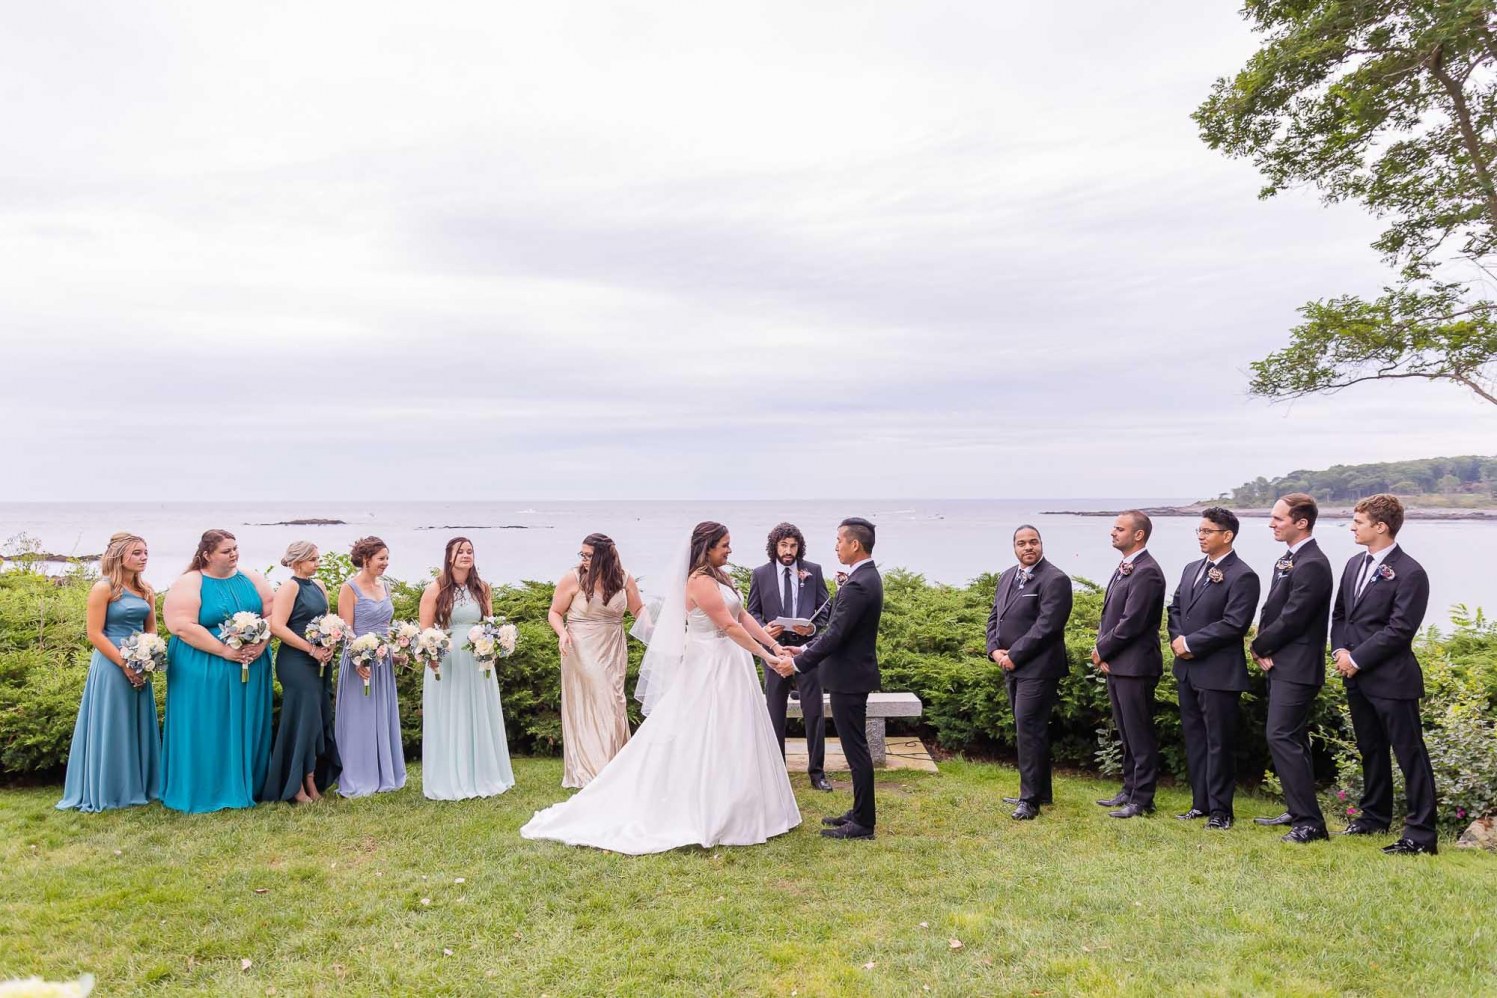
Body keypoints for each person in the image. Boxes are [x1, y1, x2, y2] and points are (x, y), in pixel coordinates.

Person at [521, 521, 800, 854]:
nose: (730, 550)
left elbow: (741, 618)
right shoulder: (698, 582)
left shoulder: (721, 577)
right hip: (709, 664)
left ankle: (746, 804)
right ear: (707, 547)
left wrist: (774, 644)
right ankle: (704, 804)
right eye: (725, 545)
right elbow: (725, 625)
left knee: (735, 730)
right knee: (704, 731)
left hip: (731, 664)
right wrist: (766, 657)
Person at [1330, 494, 1438, 855]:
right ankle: (1373, 816)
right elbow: (1341, 614)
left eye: (1358, 522)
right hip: (1355, 675)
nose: (1352, 527)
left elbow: (1400, 629)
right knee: (1370, 749)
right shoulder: (1352, 564)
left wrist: (1357, 658)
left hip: (1392, 679)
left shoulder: (1411, 572)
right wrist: (1340, 651)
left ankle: (1421, 835)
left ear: (1381, 527)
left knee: (1410, 755)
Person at [160, 529, 274, 813]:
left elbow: (273, 612)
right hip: (203, 667)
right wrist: (225, 650)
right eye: (226, 551)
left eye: (235, 548)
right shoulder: (190, 582)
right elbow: (181, 626)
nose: (234, 554)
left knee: (246, 722)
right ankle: (207, 788)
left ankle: (251, 784)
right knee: (207, 724)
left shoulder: (251, 577)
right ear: (207, 554)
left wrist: (261, 644)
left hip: (252, 663)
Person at [788, 517, 884, 840]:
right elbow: (832, 632)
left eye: (839, 541)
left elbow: (837, 635)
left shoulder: (860, 583)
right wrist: (801, 647)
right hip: (851, 676)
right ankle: (859, 812)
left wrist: (800, 661)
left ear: (854, 544)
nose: (836, 546)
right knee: (854, 747)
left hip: (850, 678)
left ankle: (863, 824)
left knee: (856, 750)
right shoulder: (865, 577)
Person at [1167, 507, 1260, 830]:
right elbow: (1176, 607)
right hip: (1187, 670)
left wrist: (1191, 644)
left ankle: (1222, 810)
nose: (1201, 536)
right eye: (1200, 531)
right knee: (1194, 738)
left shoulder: (1243, 575)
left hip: (1219, 673)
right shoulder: (1192, 568)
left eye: (1207, 531)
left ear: (1227, 535)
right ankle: (1200, 803)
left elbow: (1234, 624)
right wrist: (1177, 639)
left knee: (1219, 742)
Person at [56, 532, 162, 812]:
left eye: (145, 552)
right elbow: (94, 633)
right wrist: (124, 663)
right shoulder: (103, 589)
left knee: (135, 720)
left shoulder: (147, 590)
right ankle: (110, 787)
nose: (143, 558)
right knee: (112, 722)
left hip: (140, 660)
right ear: (119, 557)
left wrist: (148, 655)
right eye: (137, 553)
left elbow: (151, 629)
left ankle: (141, 784)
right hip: (110, 661)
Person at [1250, 494, 1333, 843]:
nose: (1271, 523)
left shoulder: (1312, 563)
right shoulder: (1289, 559)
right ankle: (1297, 809)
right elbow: (1273, 610)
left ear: (1301, 522)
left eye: (1278, 518)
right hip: (1282, 663)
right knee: (1291, 737)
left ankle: (1311, 824)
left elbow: (1295, 617)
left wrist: (1260, 645)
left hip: (1297, 665)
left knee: (1281, 735)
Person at [986, 525, 1073, 820]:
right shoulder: (1007, 576)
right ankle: (1040, 790)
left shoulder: (1055, 579)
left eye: (1033, 542)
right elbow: (994, 616)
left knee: (1029, 730)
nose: (1028, 547)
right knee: (1028, 729)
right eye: (1022, 543)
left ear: (1041, 544)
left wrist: (1015, 655)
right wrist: (994, 650)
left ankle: (1030, 799)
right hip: (1010, 665)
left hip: (1039, 668)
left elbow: (1047, 626)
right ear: (1014, 547)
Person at [419, 537, 515, 800]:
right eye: (460, 551)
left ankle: (484, 773)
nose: (466, 555)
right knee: (453, 713)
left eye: (470, 551)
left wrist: (493, 645)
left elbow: (489, 624)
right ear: (449, 556)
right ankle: (451, 776)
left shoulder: (482, 588)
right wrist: (432, 653)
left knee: (478, 712)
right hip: (448, 660)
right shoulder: (435, 588)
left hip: (478, 659)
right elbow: (425, 629)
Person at [546, 534, 645, 788]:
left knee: (614, 702)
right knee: (596, 701)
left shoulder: (623, 577)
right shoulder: (573, 577)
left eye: (588, 555)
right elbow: (555, 612)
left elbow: (638, 610)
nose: (583, 560)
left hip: (613, 646)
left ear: (604, 555)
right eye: (582, 555)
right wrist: (562, 633)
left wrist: (654, 629)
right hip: (581, 647)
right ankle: (594, 769)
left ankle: (615, 764)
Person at [747, 522, 833, 792]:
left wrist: (812, 628)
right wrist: (764, 629)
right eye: (783, 545)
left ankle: (817, 772)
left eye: (793, 546)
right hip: (774, 652)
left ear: (799, 547)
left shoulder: (814, 571)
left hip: (807, 652)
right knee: (775, 711)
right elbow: (752, 612)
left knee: (814, 712)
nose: (788, 551)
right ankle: (777, 772)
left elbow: (826, 609)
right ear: (775, 546)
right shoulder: (760, 574)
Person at [1092, 511, 1167, 819]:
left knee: (1139, 733)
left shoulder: (1147, 571)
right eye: (1114, 527)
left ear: (1138, 535)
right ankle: (1129, 787)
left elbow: (1132, 623)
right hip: (1119, 664)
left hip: (1137, 666)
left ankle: (1143, 799)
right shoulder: (1126, 567)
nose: (1113, 532)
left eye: (1119, 528)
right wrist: (1106, 654)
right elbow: (1110, 616)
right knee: (1126, 732)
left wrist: (1102, 649)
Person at [261, 541, 341, 803]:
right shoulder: (289, 587)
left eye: (318, 558)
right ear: (297, 562)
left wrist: (328, 645)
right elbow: (277, 627)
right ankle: (295, 785)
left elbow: (327, 621)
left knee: (317, 719)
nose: (317, 563)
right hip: (296, 661)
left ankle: (311, 779)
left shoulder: (319, 586)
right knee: (302, 722)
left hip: (320, 659)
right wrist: (311, 649)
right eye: (312, 559)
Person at [334, 536, 406, 798]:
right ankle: (358, 776)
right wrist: (358, 659)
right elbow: (347, 630)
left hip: (383, 661)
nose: (385, 563)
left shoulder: (385, 587)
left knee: (382, 716)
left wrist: (396, 653)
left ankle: (384, 773)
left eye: (387, 558)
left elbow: (387, 627)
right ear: (366, 560)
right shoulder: (349, 588)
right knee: (360, 718)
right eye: (381, 558)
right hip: (359, 662)